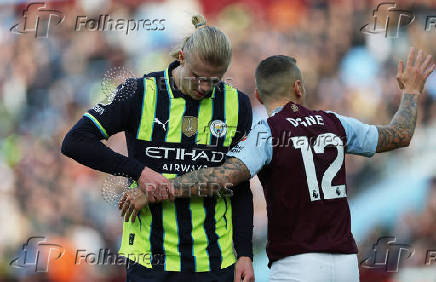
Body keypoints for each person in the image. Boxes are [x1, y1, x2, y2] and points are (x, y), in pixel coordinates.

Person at [120, 47, 435, 281]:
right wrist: (410, 92)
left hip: (297, 263)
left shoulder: (266, 133)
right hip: (345, 264)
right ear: (299, 88)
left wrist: (160, 189)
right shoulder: (337, 123)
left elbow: (221, 178)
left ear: (257, 95)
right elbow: (399, 135)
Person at [61, 15, 255, 282]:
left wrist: (245, 253)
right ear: (182, 56)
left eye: (214, 80)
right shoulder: (138, 92)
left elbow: (240, 184)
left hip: (213, 259)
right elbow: (76, 140)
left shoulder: (237, 104)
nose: (204, 87)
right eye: (198, 77)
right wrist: (138, 171)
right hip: (149, 259)